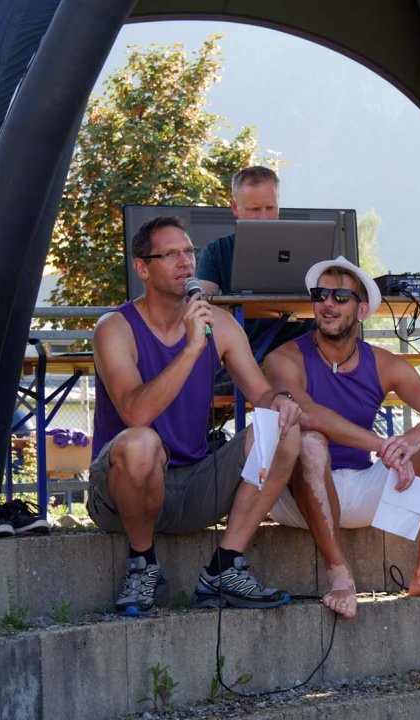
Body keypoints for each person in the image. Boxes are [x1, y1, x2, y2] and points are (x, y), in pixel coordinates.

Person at [88, 215, 302, 617]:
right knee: (141, 442)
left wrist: (283, 400)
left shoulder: (217, 324)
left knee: (283, 430)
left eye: (189, 251)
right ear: (142, 268)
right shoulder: (114, 328)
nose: (185, 262)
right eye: (170, 254)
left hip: (193, 482)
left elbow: (261, 393)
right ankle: (142, 563)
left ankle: (225, 567)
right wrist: (190, 349)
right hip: (121, 492)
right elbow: (136, 412)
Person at [263, 256, 420, 619]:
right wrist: (383, 446)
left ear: (361, 310)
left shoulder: (383, 362)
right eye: (320, 295)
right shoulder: (285, 357)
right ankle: (341, 578)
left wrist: (411, 440)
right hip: (294, 495)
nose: (327, 304)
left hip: (360, 488)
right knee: (310, 440)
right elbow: (308, 411)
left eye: (339, 297)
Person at [196, 166, 312, 353]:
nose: (264, 217)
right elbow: (203, 306)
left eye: (270, 207)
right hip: (242, 354)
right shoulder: (217, 251)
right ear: (235, 207)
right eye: (255, 209)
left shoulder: (306, 245)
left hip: (301, 352)